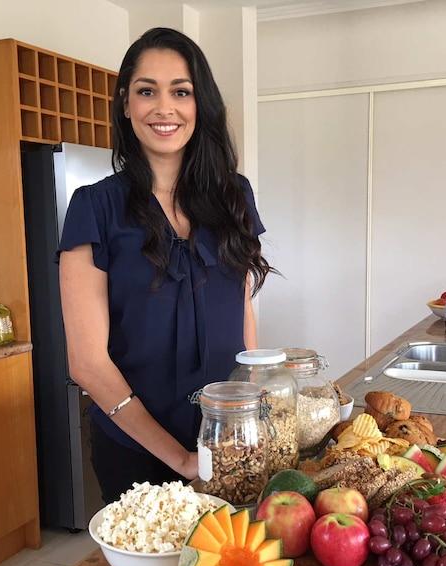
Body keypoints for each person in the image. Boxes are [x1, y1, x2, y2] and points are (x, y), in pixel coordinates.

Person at [56, 27, 276, 504]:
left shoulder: (234, 196)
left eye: (181, 91)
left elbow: (241, 312)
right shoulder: (93, 208)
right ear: (125, 104)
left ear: (201, 105)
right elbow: (88, 363)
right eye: (146, 91)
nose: (164, 108)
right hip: (134, 449)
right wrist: (179, 458)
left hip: (229, 442)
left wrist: (253, 408)